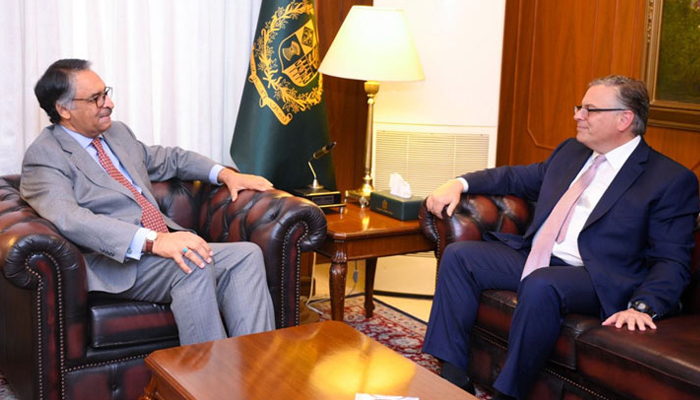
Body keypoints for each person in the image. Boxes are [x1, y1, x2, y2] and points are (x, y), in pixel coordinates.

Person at [422, 75, 699, 400]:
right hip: (540, 256)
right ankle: (452, 379)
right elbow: (516, 177)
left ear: (624, 119)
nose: (578, 115)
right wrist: (459, 183)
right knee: (461, 257)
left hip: (597, 277)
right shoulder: (572, 151)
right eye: (579, 107)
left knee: (542, 284)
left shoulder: (668, 180)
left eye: (590, 109)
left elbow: (671, 259)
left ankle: (508, 394)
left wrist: (644, 306)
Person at [21, 58, 276, 345]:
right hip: (117, 262)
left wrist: (226, 174)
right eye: (96, 99)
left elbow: (170, 159)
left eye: (106, 93)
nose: (109, 104)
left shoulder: (116, 133)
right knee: (193, 264)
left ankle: (257, 365)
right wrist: (153, 241)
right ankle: (211, 374)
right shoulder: (45, 155)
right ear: (64, 109)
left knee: (247, 256)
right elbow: (71, 218)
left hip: (162, 246)